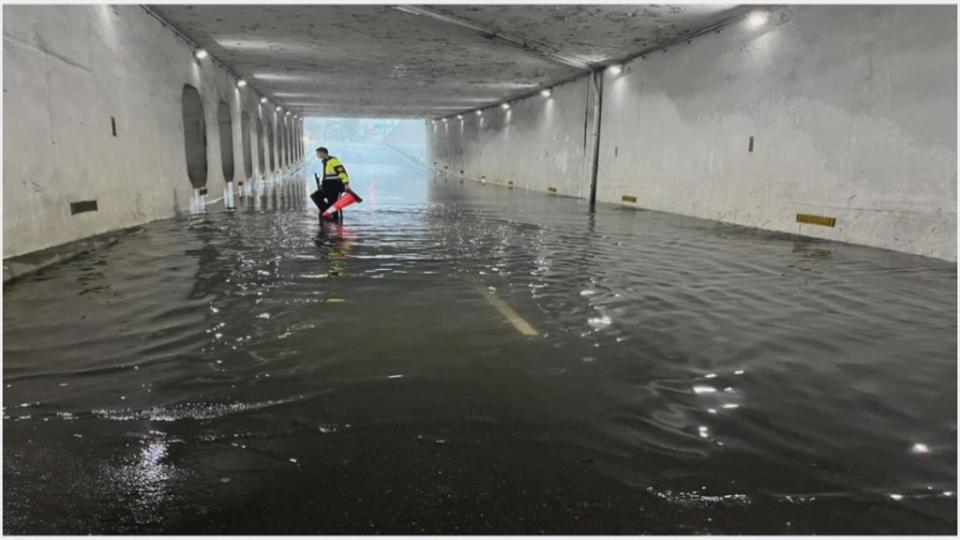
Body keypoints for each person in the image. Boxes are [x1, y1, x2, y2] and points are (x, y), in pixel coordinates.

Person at [312, 147, 350, 222]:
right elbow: (327, 176)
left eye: (318, 153)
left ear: (323, 153)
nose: (317, 155)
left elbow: (342, 172)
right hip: (327, 186)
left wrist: (345, 184)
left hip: (335, 186)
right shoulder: (325, 161)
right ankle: (327, 212)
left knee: (332, 202)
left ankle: (335, 220)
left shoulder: (333, 161)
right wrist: (322, 185)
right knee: (316, 196)